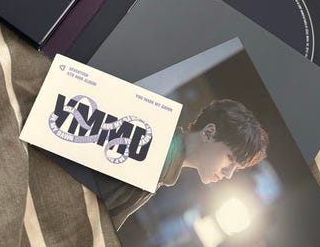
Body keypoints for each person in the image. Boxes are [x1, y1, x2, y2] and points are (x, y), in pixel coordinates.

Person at [99, 98, 269, 229]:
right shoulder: (155, 152)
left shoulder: (163, 162)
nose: (228, 174)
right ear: (208, 133)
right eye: (230, 158)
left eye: (236, 169)